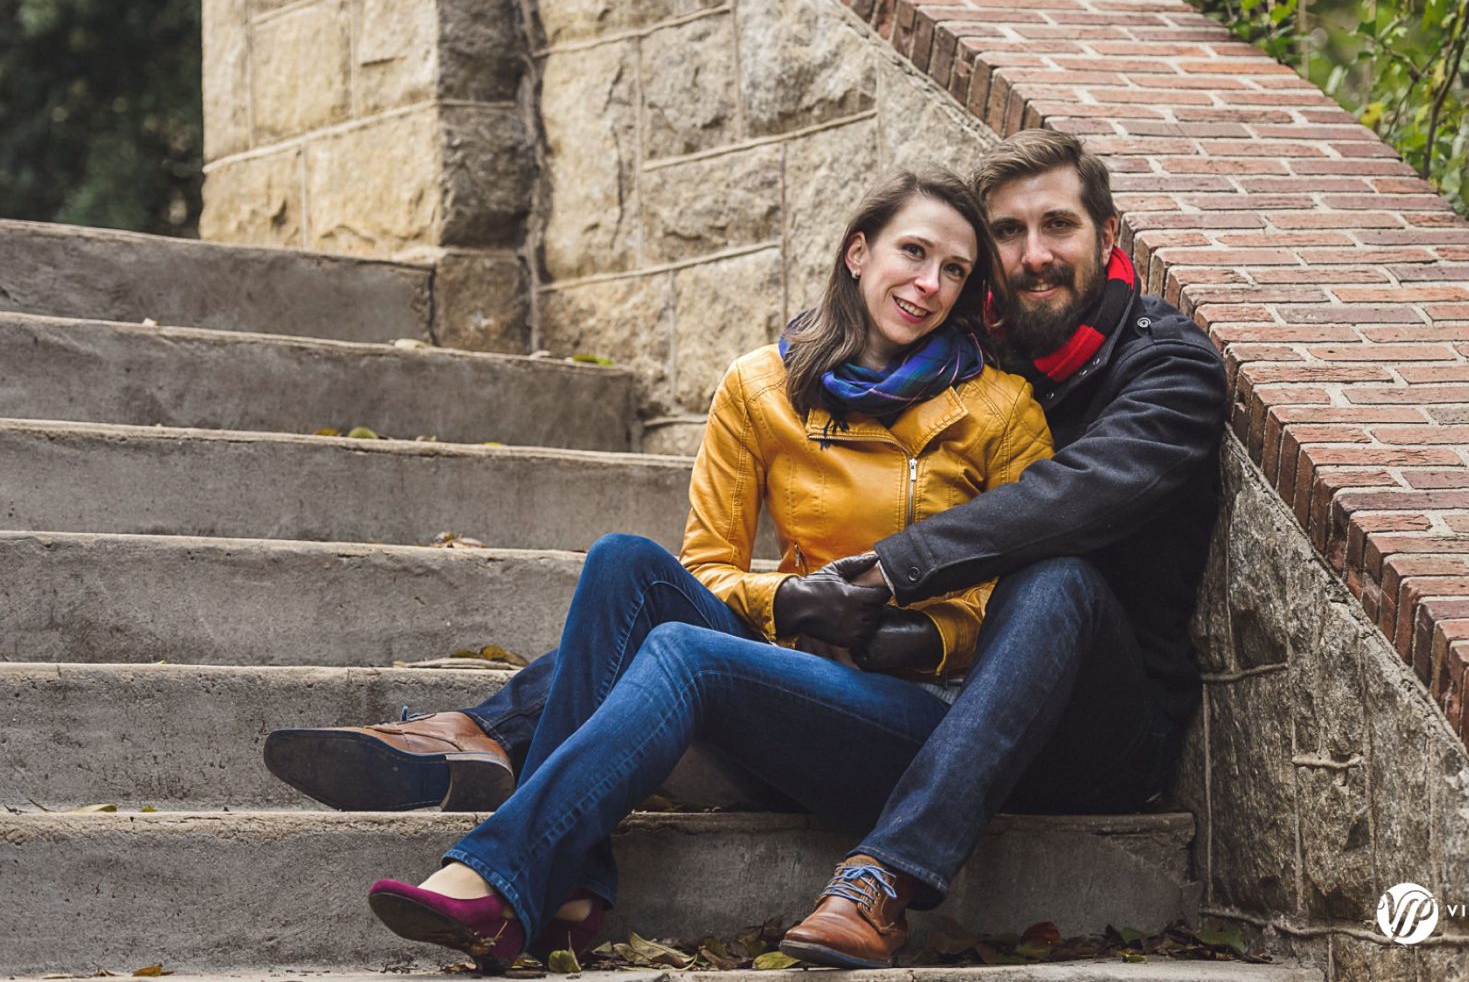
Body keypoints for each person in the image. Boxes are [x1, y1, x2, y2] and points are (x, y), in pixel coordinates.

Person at [338, 167, 1052, 971]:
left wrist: (915, 635)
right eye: (913, 252)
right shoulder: (761, 386)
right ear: (858, 253)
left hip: (920, 721)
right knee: (624, 563)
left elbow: (1025, 614)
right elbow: (706, 567)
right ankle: (570, 883)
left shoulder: (1002, 411)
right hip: (792, 678)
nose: (929, 284)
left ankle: (501, 875)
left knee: (686, 653)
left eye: (954, 270)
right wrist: (791, 600)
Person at [776, 130, 1230, 967]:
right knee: (662, 604)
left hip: (1099, 734)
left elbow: (1072, 498)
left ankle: (884, 879)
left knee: (1058, 579)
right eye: (1009, 234)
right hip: (943, 683)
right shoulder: (972, 355)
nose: (1034, 255)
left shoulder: (1169, 368)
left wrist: (890, 569)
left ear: (1107, 235)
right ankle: (525, 720)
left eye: (1058, 226)